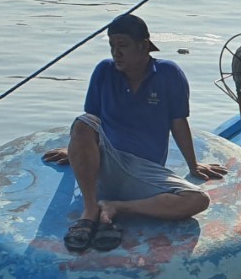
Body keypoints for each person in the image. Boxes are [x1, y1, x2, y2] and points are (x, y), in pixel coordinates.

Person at [42, 14, 226, 252]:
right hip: (107, 161)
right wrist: (77, 150)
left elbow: (178, 122)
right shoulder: (104, 71)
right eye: (112, 46)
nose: (115, 53)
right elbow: (91, 123)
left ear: (143, 46)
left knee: (197, 200)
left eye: (123, 46)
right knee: (82, 122)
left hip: (144, 171)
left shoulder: (168, 73)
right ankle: (90, 210)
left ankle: (115, 207)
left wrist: (193, 165)